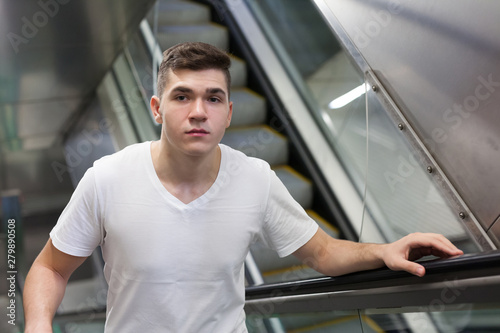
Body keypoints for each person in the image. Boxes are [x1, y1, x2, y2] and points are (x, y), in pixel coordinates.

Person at [23, 42, 463, 333]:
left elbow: (323, 253)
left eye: (213, 98)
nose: (199, 111)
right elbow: (49, 269)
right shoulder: (107, 177)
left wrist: (384, 250)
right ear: (157, 108)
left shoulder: (255, 179)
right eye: (182, 96)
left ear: (229, 112)